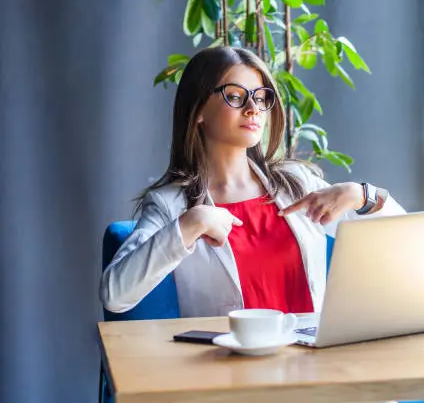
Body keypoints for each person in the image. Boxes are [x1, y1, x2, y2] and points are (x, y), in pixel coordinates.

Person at [99, 46, 406, 317]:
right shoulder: (171, 204)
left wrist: (362, 195)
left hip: (314, 367)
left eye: (261, 98)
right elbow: (115, 296)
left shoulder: (297, 184)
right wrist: (192, 223)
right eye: (235, 96)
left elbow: (404, 244)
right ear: (198, 111)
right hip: (228, 374)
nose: (253, 108)